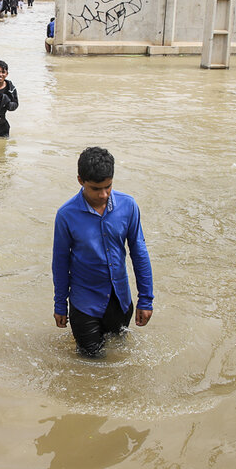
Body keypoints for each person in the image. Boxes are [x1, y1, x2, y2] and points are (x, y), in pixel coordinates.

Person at [52, 147, 153, 358]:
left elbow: (139, 253)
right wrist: (60, 304)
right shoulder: (66, 215)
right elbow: (60, 263)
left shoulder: (128, 206)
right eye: (96, 188)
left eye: (108, 187)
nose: (104, 194)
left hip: (120, 302)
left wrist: (146, 299)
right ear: (80, 180)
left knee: (119, 359)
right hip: (84, 305)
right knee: (91, 366)